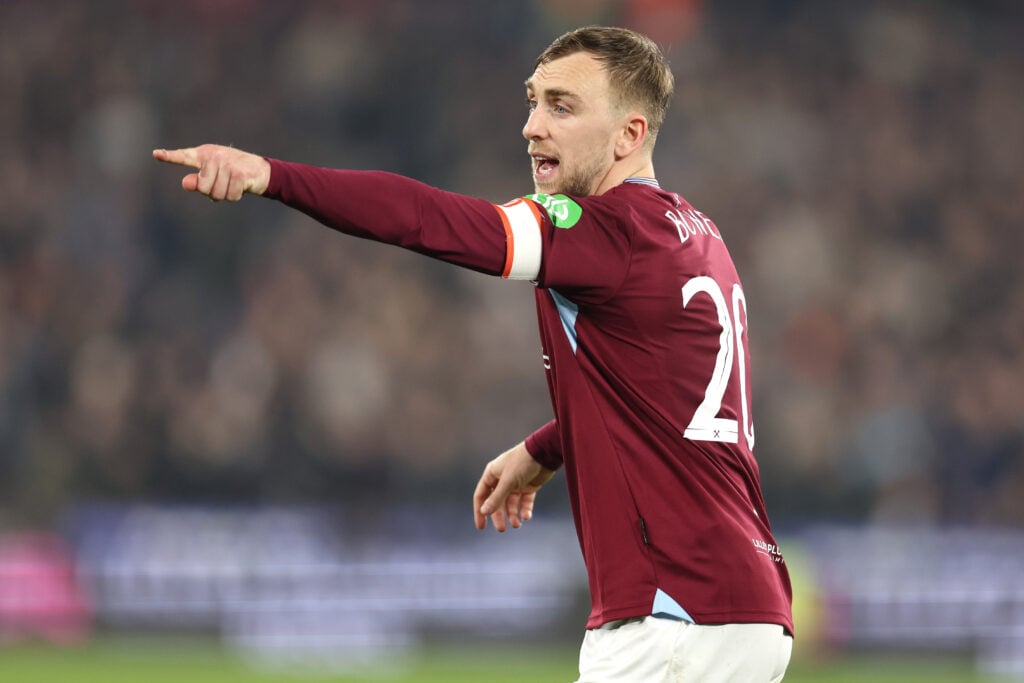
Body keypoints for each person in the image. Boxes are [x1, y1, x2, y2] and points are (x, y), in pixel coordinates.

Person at [154, 26, 793, 683]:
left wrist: (272, 176)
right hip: (743, 607)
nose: (531, 126)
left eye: (561, 106)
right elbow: (667, 398)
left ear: (629, 135)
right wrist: (546, 447)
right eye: (533, 101)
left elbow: (428, 219)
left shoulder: (606, 228)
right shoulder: (696, 232)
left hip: (672, 615)